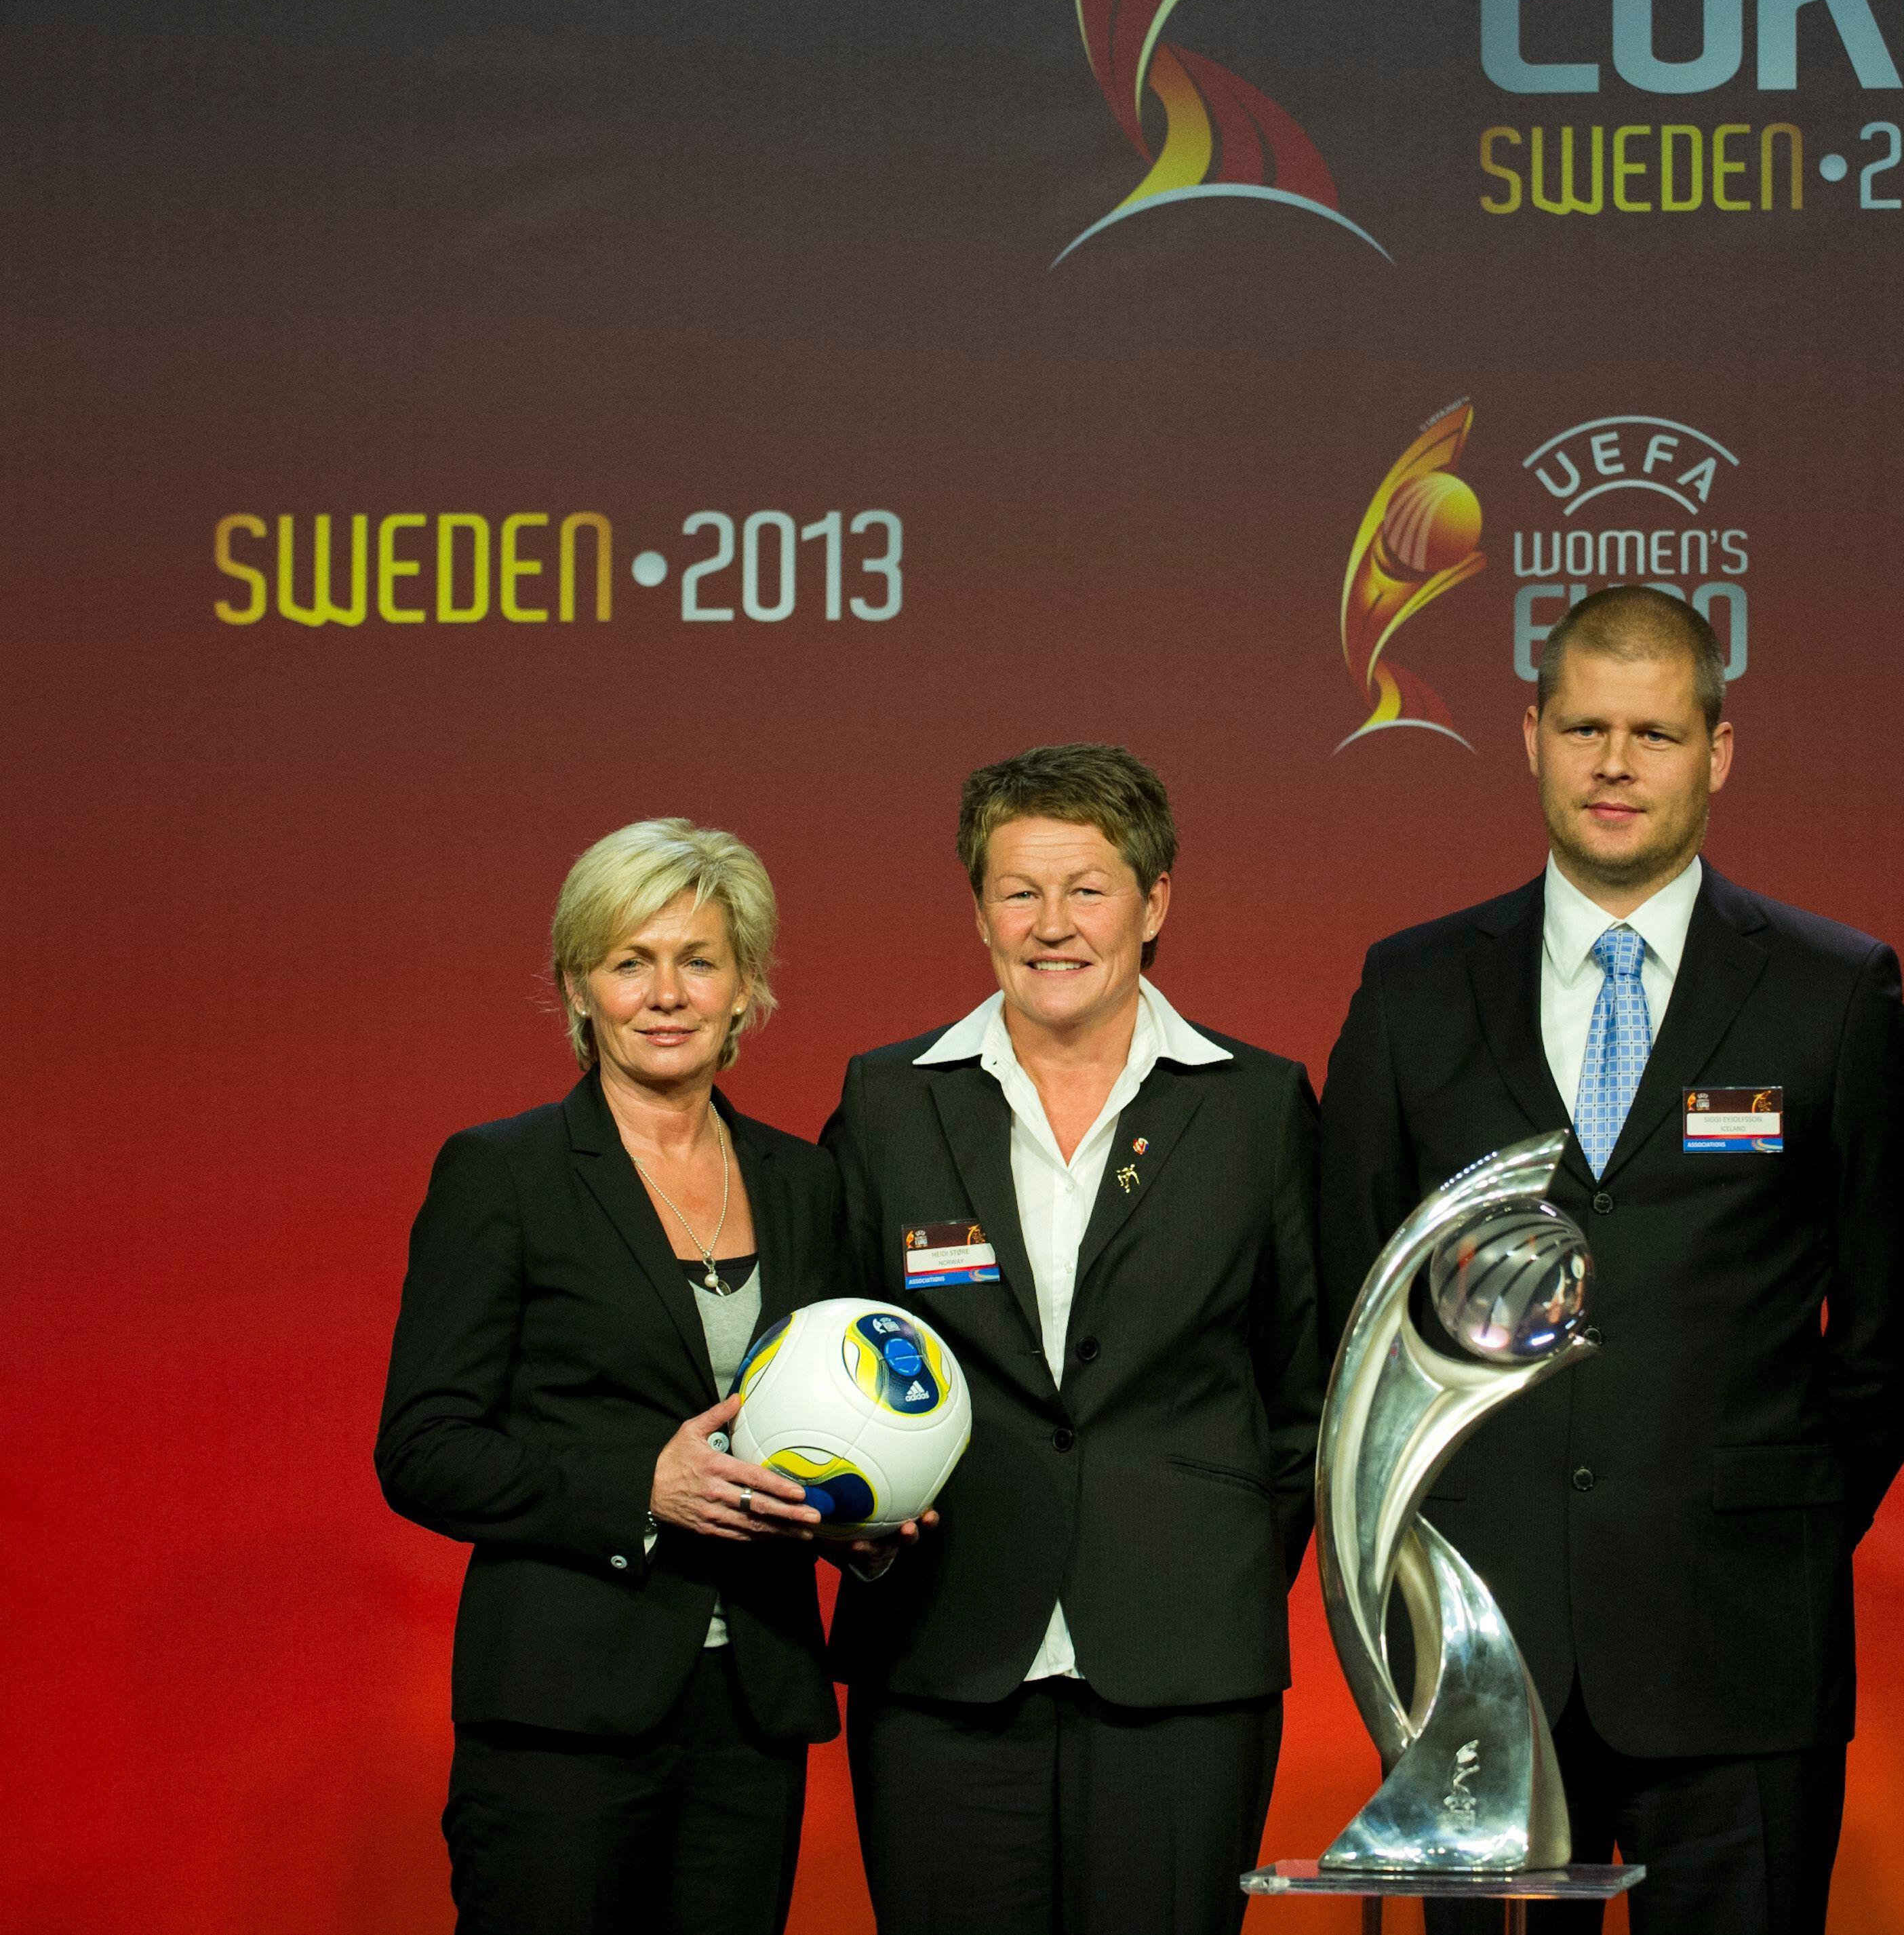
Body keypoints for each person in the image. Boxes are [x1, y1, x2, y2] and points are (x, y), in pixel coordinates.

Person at [1319, 586, 1904, 1934]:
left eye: (1655, 734)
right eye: (1586, 726)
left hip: (1737, 1644)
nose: (1615, 763)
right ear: (1530, 735)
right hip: (1480, 1655)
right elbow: (1353, 1307)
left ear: (1717, 752)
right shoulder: (1411, 989)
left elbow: (1903, 1321)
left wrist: (1775, 1509)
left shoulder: (1833, 991)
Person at [823, 744, 1324, 1935]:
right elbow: (830, 1348)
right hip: (943, 1652)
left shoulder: (1256, 1104)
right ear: (979, 908)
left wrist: (1225, 1553)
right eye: (1019, 890)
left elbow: (1310, 1386)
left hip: (1184, 1659)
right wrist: (861, 1530)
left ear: (1154, 904)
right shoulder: (890, 1099)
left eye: (1088, 889)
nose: (1053, 925)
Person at [376, 818, 875, 1935]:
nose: (666, 993)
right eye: (628, 961)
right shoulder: (501, 1172)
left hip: (751, 1711)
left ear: (745, 987)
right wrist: (636, 1487)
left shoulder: (804, 1182)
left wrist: (871, 1514)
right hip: (562, 1715)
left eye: (698, 960)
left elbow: (818, 1417)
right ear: (578, 986)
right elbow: (421, 1447)